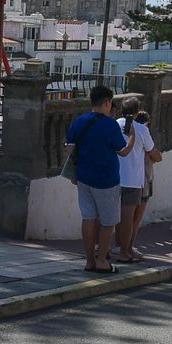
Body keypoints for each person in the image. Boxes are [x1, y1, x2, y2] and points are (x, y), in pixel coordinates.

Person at [67, 85, 133, 272]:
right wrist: (132, 137)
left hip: (83, 177)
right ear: (107, 102)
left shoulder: (80, 121)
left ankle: (89, 261)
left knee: (88, 218)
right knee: (108, 222)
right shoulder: (110, 124)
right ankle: (102, 260)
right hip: (106, 179)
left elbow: (69, 147)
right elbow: (123, 151)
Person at [113, 97, 159, 264]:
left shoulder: (114, 124)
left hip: (114, 177)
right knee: (128, 219)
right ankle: (124, 252)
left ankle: (111, 247)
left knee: (112, 216)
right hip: (133, 179)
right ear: (137, 112)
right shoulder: (141, 129)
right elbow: (152, 151)